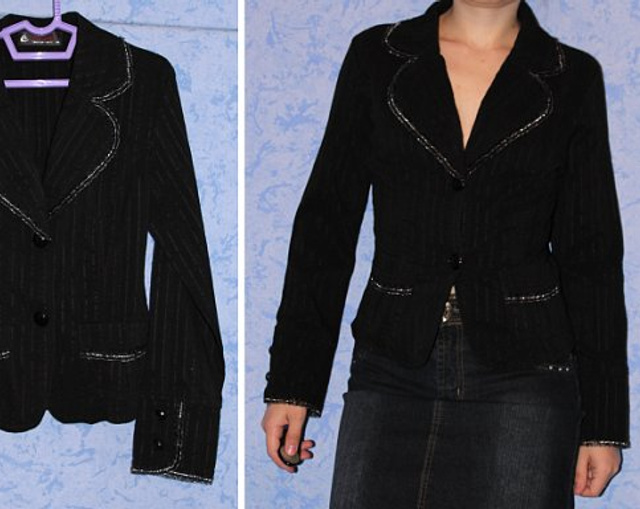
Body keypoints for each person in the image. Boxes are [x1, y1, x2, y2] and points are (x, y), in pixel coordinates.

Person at [260, 0, 630, 507]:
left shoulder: (571, 77)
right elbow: (327, 224)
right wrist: (293, 383)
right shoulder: (378, 56)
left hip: (526, 373)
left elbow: (590, 256)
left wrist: (603, 424)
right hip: (392, 362)